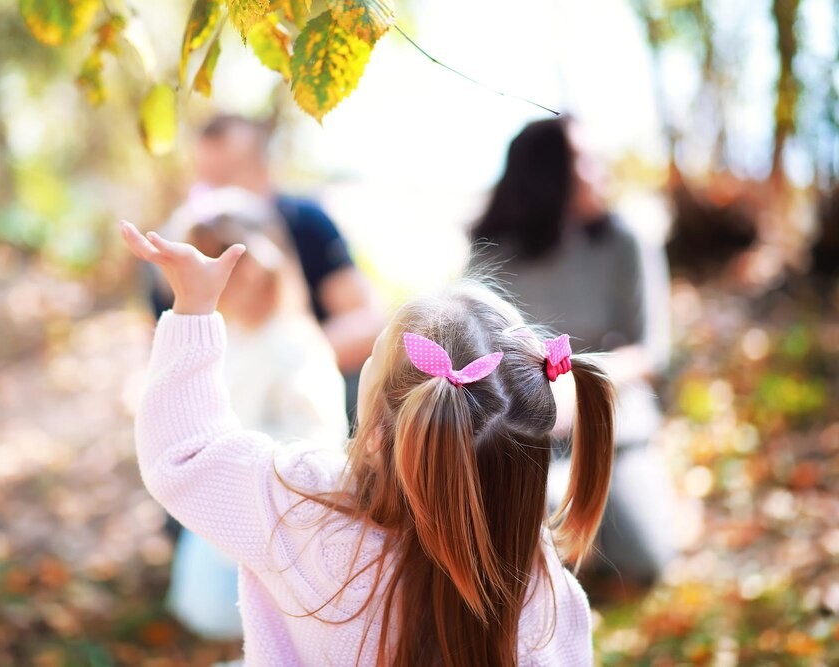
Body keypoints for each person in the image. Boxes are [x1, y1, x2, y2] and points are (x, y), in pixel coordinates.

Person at [121, 218, 617, 666]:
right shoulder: (549, 598)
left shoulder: (302, 505)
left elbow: (184, 453)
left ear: (379, 435)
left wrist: (193, 308)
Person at [470, 117, 676, 585]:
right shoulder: (491, 255)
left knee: (645, 559)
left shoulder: (624, 242)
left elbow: (650, 350)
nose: (600, 169)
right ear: (547, 172)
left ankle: (577, 540)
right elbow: (474, 351)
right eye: (585, 159)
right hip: (520, 431)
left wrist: (574, 388)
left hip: (611, 426)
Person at [161, 188, 349, 643]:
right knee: (205, 612)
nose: (231, 283)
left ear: (266, 270)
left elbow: (318, 440)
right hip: (222, 503)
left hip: (276, 515)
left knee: (264, 623)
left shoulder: (293, 343)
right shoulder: (224, 337)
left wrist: (243, 458)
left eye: (239, 269)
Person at [150, 114, 384, 417]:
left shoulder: (307, 224)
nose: (217, 191)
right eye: (207, 177)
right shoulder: (181, 248)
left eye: (229, 174)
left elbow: (367, 322)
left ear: (263, 171)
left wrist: (283, 360)